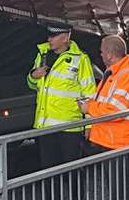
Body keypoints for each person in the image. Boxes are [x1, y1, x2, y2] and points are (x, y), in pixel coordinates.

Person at [28, 24, 97, 168]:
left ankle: (75, 192)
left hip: (70, 128)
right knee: (48, 172)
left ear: (65, 37)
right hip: (45, 127)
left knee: (72, 173)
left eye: (54, 36)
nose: (49, 39)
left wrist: (89, 124)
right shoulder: (42, 55)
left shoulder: (80, 59)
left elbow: (89, 93)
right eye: (49, 36)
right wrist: (33, 76)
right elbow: (33, 85)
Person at [85, 36, 129, 155]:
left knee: (116, 174)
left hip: (119, 144)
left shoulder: (127, 76)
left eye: (102, 52)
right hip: (109, 141)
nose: (100, 55)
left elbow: (115, 112)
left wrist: (88, 108)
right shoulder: (114, 73)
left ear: (109, 55)